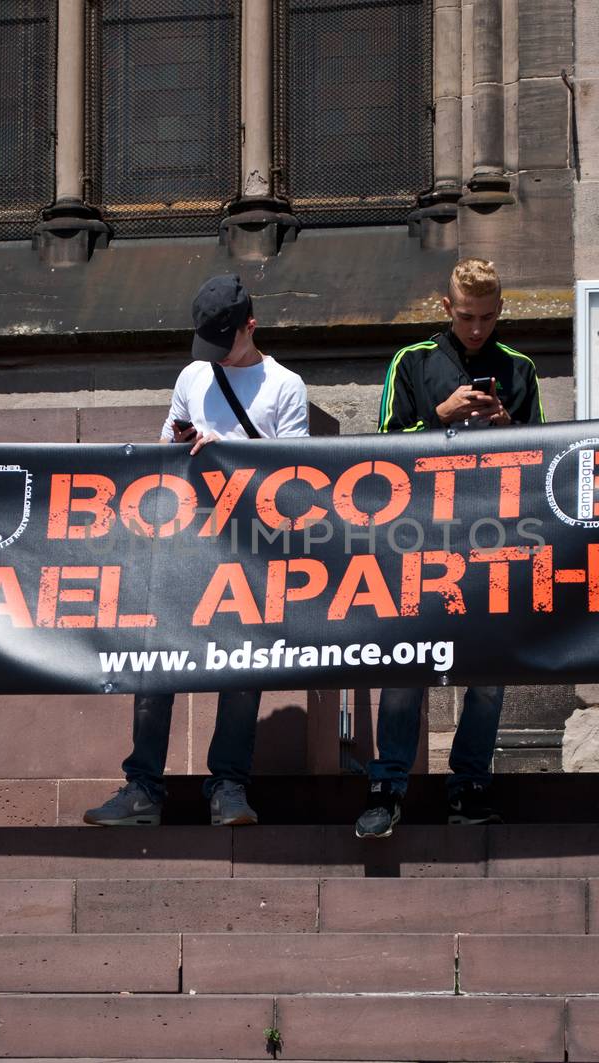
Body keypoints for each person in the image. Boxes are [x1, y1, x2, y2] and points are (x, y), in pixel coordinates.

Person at [83, 274, 310, 827]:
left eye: (224, 341)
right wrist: (182, 447)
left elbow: (301, 478)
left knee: (242, 669)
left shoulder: (285, 386)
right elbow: (162, 453)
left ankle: (228, 786)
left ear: (250, 326)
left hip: (252, 549)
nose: (214, 354)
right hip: (187, 544)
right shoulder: (192, 375)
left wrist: (227, 452)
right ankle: (143, 788)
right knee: (157, 664)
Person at [358, 257, 544, 839]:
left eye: (488, 318)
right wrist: (438, 419)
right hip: (418, 538)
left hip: (493, 536)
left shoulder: (519, 368)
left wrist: (505, 422)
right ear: (446, 307)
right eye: (466, 317)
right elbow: (381, 453)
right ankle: (387, 789)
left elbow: (540, 457)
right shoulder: (412, 362)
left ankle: (469, 784)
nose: (477, 329)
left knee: (488, 672)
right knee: (404, 667)